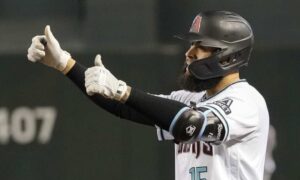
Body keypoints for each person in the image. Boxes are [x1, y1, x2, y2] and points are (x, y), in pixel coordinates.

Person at [27, 10, 269, 180]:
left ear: (227, 54)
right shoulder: (191, 100)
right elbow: (126, 107)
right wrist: (65, 64)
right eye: (191, 44)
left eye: (200, 45)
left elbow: (190, 124)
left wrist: (123, 91)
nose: (189, 52)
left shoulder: (245, 101)